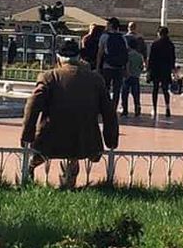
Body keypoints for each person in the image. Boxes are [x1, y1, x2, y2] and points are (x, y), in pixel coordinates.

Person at [20, 37, 119, 189]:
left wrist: (27, 135)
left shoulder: (48, 77)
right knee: (74, 149)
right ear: (79, 58)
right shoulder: (96, 79)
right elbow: (109, 112)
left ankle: (28, 174)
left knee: (42, 149)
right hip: (86, 140)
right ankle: (70, 180)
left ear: (58, 58)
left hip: (51, 138)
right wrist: (110, 140)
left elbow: (32, 107)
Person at [97, 17, 129, 106]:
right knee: (117, 90)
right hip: (119, 67)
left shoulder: (104, 36)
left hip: (107, 66)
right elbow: (125, 54)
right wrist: (126, 69)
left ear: (110, 25)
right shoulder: (122, 37)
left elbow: (100, 53)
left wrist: (98, 67)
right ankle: (114, 107)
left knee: (105, 87)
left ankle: (105, 106)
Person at [148, 25, 176, 119]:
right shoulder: (170, 44)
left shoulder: (155, 44)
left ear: (159, 33)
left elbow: (151, 58)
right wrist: (172, 69)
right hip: (166, 69)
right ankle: (167, 107)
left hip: (156, 69)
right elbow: (173, 58)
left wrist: (149, 70)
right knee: (165, 89)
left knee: (155, 89)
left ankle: (155, 109)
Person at [121, 36, 145, 116]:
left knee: (125, 94)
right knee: (136, 94)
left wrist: (126, 73)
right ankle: (137, 108)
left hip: (128, 76)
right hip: (136, 76)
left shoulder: (128, 55)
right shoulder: (140, 56)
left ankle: (125, 109)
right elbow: (142, 67)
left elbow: (127, 64)